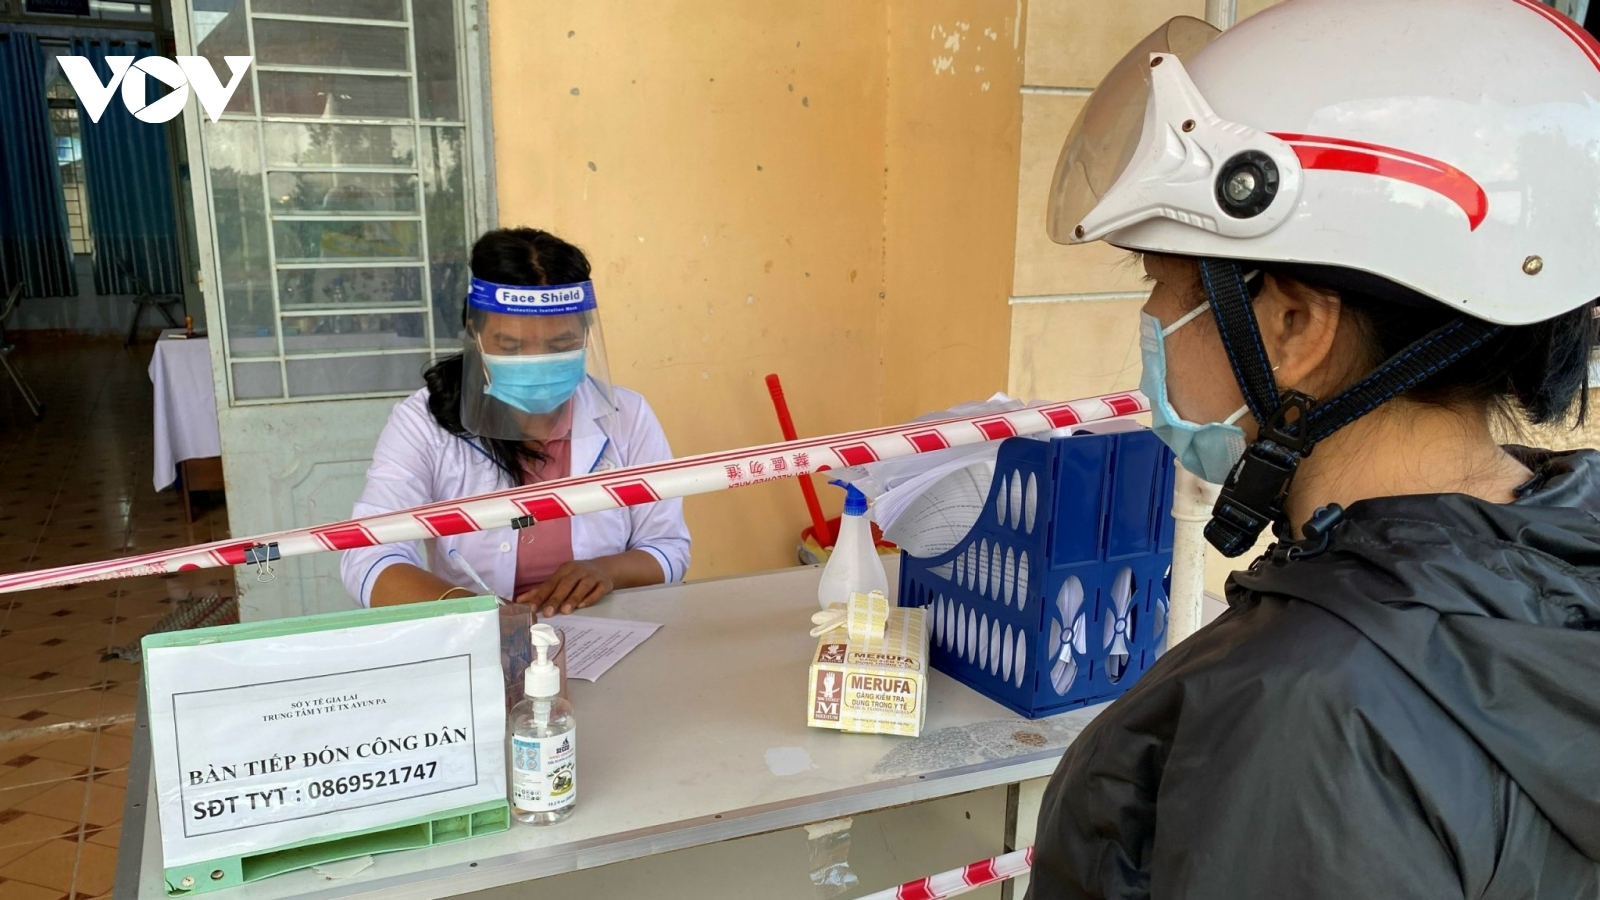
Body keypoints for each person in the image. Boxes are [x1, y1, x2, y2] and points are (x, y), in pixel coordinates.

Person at [1028, 3, 1600, 897]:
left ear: (1293, 327)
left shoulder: (1306, 714)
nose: (1152, 321)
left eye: (1163, 282)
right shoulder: (1561, 561)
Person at [340, 228, 689, 615]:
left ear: (586, 333)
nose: (537, 362)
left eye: (560, 345)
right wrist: (477, 613)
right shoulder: (423, 424)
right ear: (475, 333)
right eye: (511, 346)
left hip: (607, 629)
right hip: (477, 636)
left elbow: (668, 547)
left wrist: (606, 571)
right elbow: (368, 556)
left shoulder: (627, 416)